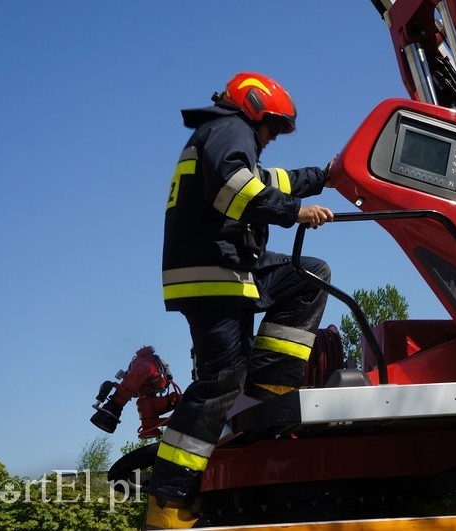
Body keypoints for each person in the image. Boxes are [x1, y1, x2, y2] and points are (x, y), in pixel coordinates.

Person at [146, 72, 334, 529]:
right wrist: (296, 213)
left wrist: (325, 177)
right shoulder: (231, 130)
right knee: (218, 383)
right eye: (272, 128)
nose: (270, 139)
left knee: (310, 276)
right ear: (255, 109)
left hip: (229, 270)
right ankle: (166, 502)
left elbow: (273, 180)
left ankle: (267, 390)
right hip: (214, 274)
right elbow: (238, 189)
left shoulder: (223, 136)